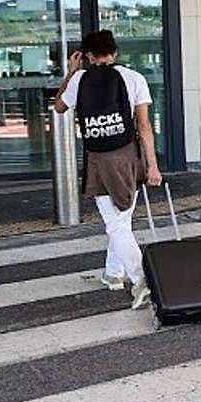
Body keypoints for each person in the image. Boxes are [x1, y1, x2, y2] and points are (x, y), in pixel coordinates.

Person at [54, 30, 162, 310]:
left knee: (116, 224)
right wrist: (152, 166)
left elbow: (59, 106)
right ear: (114, 53)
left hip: (99, 159)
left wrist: (71, 72)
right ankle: (114, 273)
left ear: (88, 56)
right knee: (121, 221)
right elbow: (144, 126)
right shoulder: (134, 78)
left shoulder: (79, 79)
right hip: (128, 157)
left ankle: (141, 279)